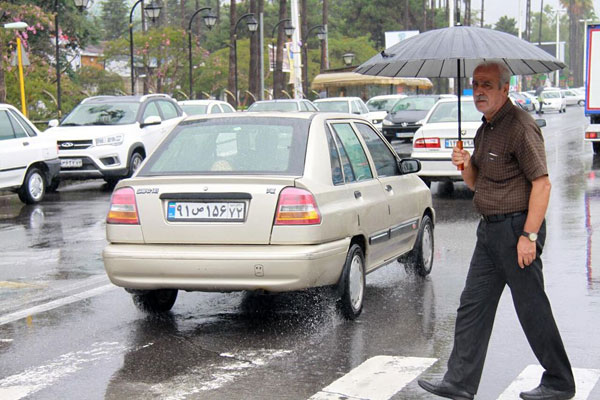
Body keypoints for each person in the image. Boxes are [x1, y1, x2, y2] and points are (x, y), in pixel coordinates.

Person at [417, 61, 576, 400]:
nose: (479, 91)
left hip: (517, 229)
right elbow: (477, 184)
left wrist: (529, 236)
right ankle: (459, 382)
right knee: (472, 305)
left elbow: (542, 185)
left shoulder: (521, 126)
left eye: (487, 84)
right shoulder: (485, 129)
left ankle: (560, 381)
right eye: (476, 84)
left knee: (531, 308)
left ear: (505, 88)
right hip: (489, 233)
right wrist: (464, 165)